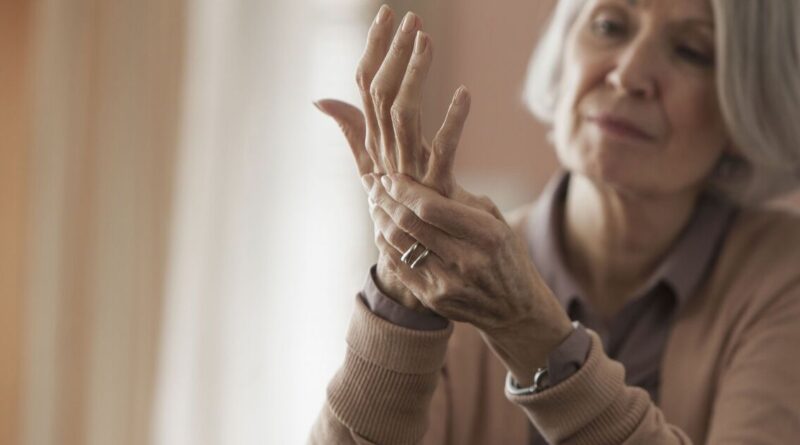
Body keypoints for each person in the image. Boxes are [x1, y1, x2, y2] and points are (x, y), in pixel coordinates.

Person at [311, 0, 800, 443]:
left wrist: (530, 330)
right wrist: (402, 293)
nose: (629, 73)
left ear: (751, 100)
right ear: (564, 52)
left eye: (691, 51)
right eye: (609, 26)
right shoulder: (458, 272)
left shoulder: (782, 275)